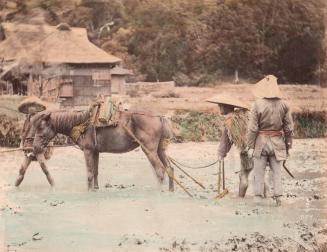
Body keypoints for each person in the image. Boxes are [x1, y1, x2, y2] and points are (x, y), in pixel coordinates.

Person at [246, 75, 293, 206]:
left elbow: (252, 129)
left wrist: (250, 146)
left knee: (258, 173)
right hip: (278, 143)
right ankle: (278, 200)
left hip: (260, 143)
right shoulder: (285, 105)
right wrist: (288, 146)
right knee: (277, 173)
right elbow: (289, 129)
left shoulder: (256, 104)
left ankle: (258, 200)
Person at [207, 94, 253, 197]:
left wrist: (221, 154)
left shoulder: (230, 121)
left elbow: (226, 140)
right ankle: (266, 197)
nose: (219, 108)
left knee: (243, 176)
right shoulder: (244, 116)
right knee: (260, 175)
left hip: (246, 151)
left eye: (220, 106)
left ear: (225, 107)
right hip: (259, 148)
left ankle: (240, 199)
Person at [15, 97, 54, 187]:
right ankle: (15, 187)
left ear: (36, 108)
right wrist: (21, 144)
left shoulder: (42, 119)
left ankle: (54, 187)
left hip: (38, 144)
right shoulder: (27, 120)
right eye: (29, 106)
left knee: (44, 168)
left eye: (33, 106)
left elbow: (47, 133)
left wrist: (48, 144)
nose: (31, 108)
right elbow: (24, 133)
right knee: (22, 170)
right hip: (28, 145)